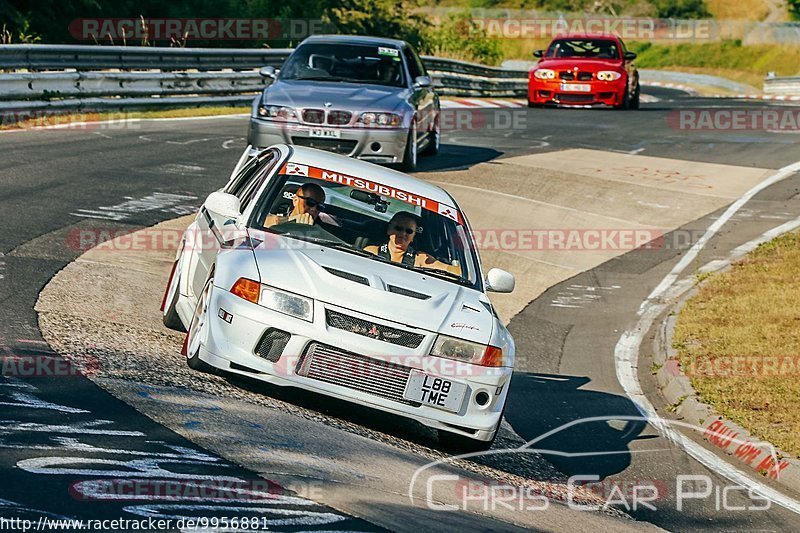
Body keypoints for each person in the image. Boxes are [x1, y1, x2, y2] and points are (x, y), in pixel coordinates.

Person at [364, 211, 461, 275]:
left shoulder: (420, 259)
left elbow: (451, 270)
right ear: (389, 230)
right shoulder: (372, 251)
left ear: (413, 237)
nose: (403, 234)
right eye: (398, 228)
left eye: (409, 231)